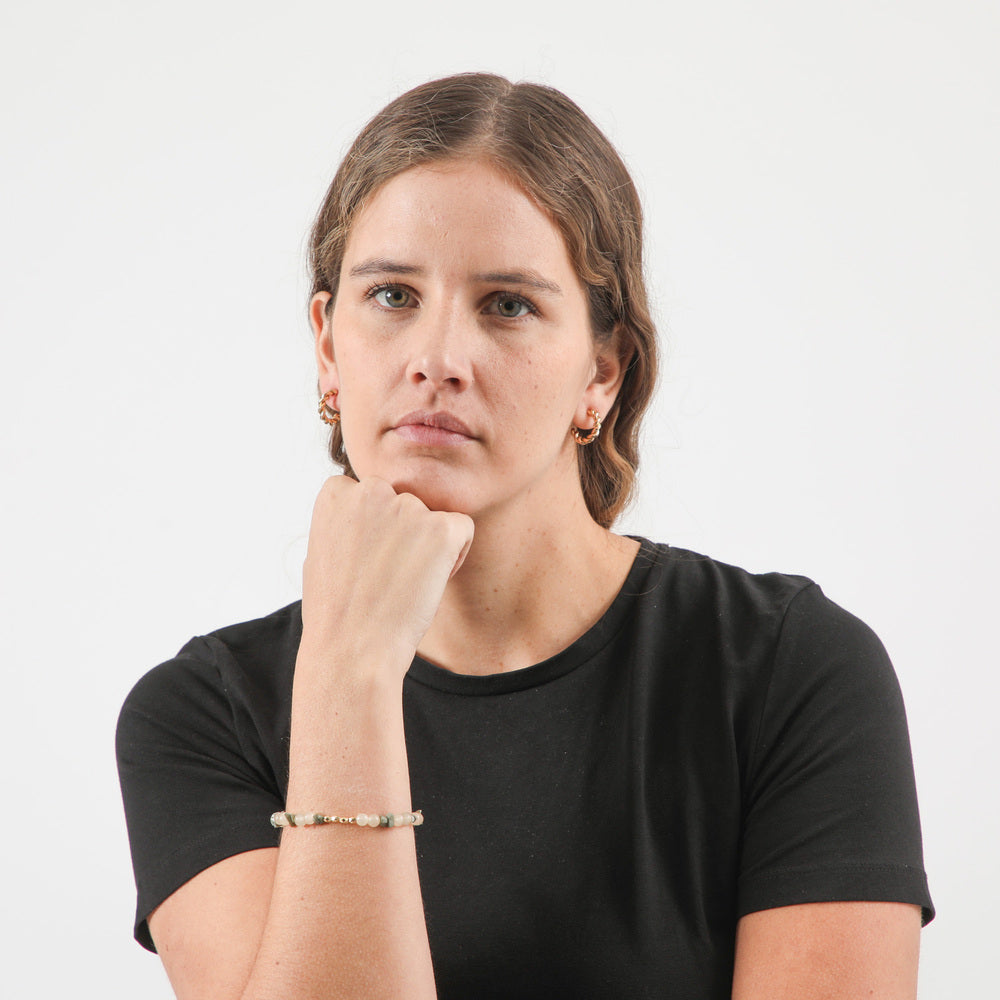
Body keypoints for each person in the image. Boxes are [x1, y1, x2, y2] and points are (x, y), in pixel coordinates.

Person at [116, 72, 933, 999]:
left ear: (603, 373)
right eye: (390, 295)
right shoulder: (201, 719)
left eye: (508, 305)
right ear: (326, 345)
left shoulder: (791, 669)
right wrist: (349, 674)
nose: (437, 359)